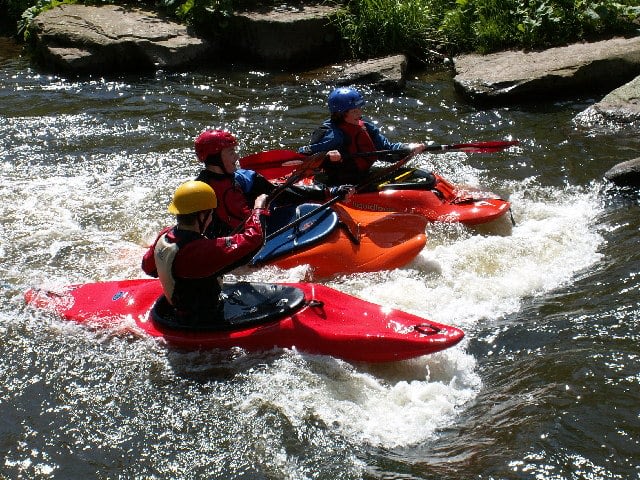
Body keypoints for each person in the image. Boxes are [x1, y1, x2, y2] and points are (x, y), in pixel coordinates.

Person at [141, 180, 268, 327]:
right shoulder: (196, 251)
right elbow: (255, 239)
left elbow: (148, 267)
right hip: (202, 322)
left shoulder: (164, 236)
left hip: (178, 312)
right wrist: (258, 210)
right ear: (202, 216)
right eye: (211, 213)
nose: (211, 218)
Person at [193, 129, 350, 237]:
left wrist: (328, 192)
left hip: (252, 235)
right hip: (231, 244)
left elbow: (283, 193)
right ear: (214, 158)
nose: (236, 157)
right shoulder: (198, 192)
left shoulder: (244, 178)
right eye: (230, 152)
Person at [298, 86, 434, 188]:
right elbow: (303, 154)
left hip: (363, 176)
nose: (360, 114)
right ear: (340, 114)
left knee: (424, 176)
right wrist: (325, 155)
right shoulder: (331, 135)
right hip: (338, 184)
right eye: (355, 111)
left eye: (360, 109)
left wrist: (409, 148)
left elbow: (387, 149)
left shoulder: (366, 128)